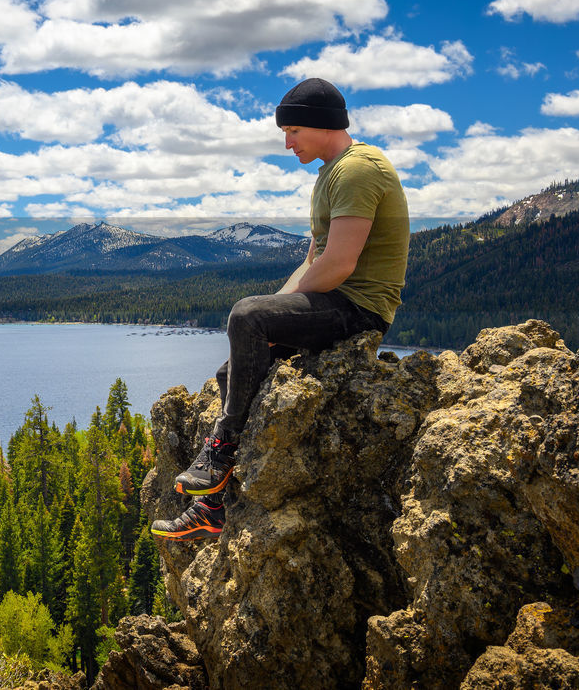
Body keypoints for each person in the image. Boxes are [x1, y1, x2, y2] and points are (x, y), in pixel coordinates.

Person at [151, 77, 409, 540]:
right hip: (333, 302)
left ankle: (222, 448)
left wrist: (266, 317)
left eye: (293, 131)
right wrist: (279, 311)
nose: (287, 143)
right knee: (235, 372)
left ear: (320, 123)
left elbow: (340, 264)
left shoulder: (358, 170)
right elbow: (311, 260)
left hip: (360, 310)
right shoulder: (329, 173)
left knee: (245, 315)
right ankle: (213, 507)